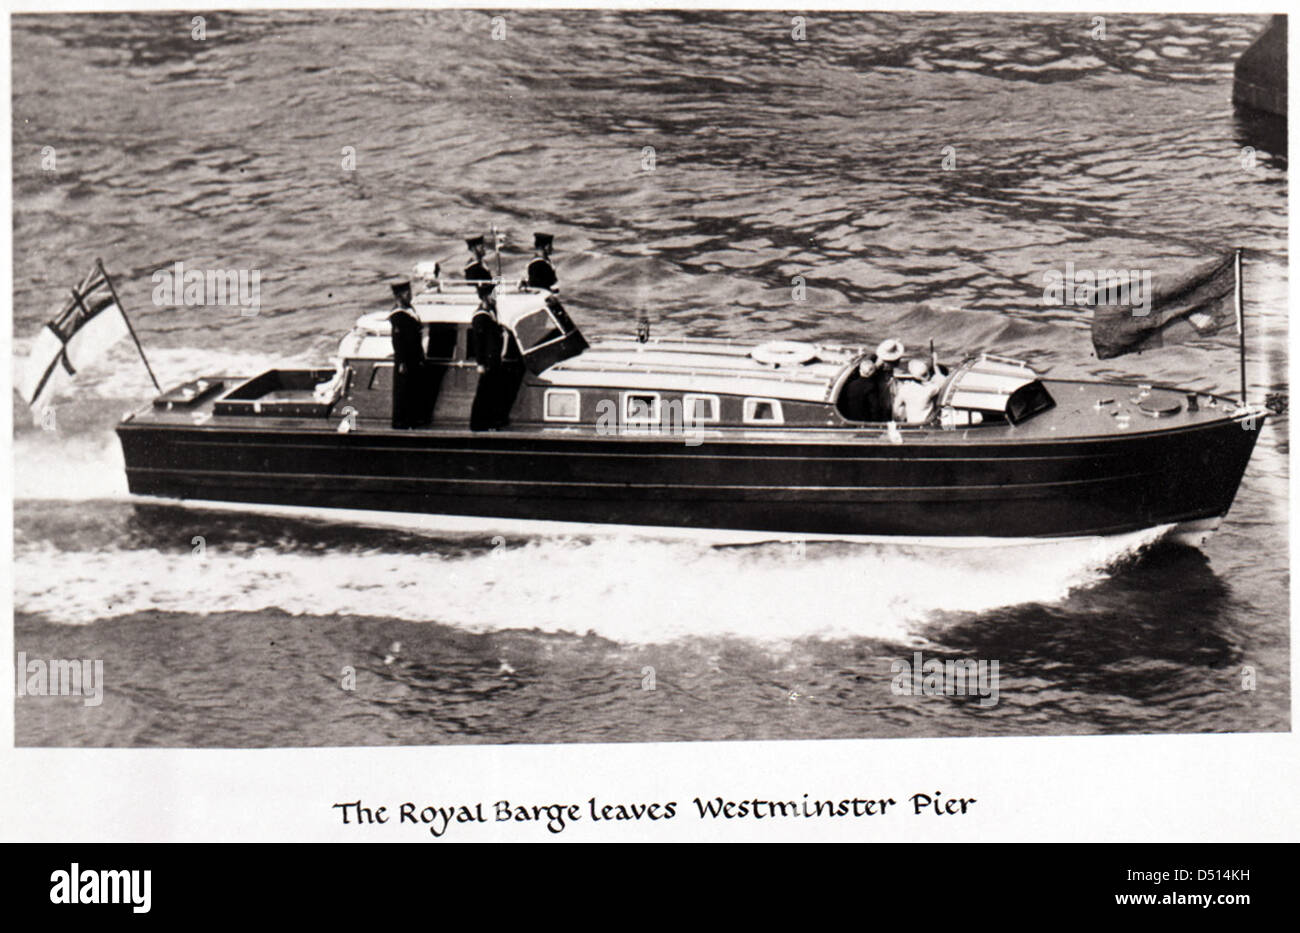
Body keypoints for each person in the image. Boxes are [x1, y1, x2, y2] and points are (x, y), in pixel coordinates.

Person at [387, 281, 427, 429]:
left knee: (413, 389)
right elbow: (398, 340)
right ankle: (401, 422)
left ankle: (412, 419)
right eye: (406, 293)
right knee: (403, 391)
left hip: (414, 355)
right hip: (405, 358)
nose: (409, 295)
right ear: (398, 296)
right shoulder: (398, 315)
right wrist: (402, 362)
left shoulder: (409, 310)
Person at [893, 357, 942, 424]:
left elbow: (896, 408)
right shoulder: (931, 388)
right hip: (927, 424)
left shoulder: (904, 388)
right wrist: (935, 366)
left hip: (910, 423)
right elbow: (942, 381)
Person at [464, 235, 494, 300]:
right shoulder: (472, 268)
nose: (484, 248)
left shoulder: (483, 264)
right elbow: (474, 287)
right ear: (474, 249)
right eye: (481, 246)